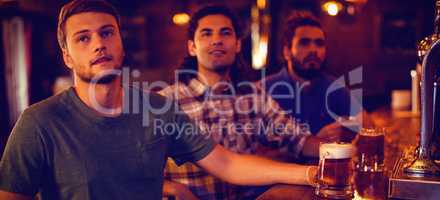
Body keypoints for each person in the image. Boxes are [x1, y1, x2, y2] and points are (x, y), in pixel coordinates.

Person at [0, 1, 317, 200]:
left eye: (107, 33)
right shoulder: (39, 121)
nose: (98, 43)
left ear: (122, 45)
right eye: (83, 38)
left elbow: (227, 163)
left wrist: (310, 174)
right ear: (67, 57)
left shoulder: (158, 108)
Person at [160, 6, 336, 200]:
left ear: (237, 44)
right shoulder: (167, 101)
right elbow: (135, 171)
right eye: (206, 34)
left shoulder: (253, 94)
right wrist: (170, 189)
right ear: (192, 47)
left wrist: (339, 153)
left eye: (225, 33)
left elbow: (296, 138)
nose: (217, 40)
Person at [261, 13, 365, 138]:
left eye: (319, 43)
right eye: (304, 43)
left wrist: (349, 126)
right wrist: (315, 141)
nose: (313, 50)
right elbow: (254, 151)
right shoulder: (264, 89)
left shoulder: (333, 86)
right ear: (287, 52)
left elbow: (367, 123)